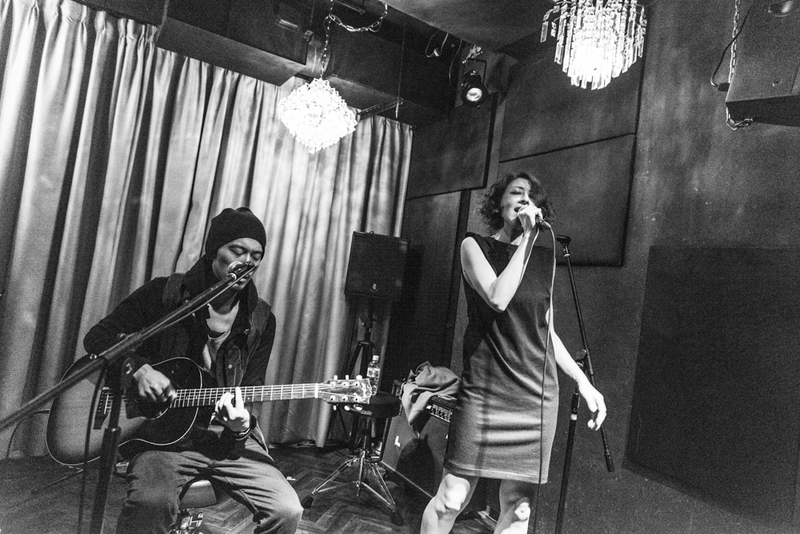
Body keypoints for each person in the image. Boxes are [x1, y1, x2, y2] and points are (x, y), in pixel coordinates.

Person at [84, 207, 303, 534]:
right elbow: (98, 337)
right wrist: (138, 370)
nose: (247, 262)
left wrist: (242, 425)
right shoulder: (165, 294)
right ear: (214, 251)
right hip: (163, 440)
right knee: (150, 503)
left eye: (256, 256)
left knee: (287, 510)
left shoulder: (260, 319)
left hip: (224, 439)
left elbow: (252, 387)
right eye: (237, 250)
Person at [420, 172, 607, 534]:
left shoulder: (543, 259)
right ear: (498, 203)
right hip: (484, 391)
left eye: (531, 196)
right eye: (516, 192)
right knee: (451, 500)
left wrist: (583, 381)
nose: (524, 199)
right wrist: (528, 239)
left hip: (534, 395)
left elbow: (546, 330)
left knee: (520, 510)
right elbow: (497, 297)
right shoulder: (474, 246)